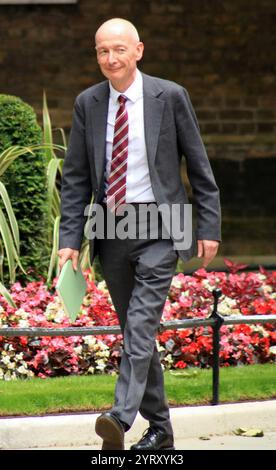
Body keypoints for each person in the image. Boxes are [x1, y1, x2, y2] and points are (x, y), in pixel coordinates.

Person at [58, 18, 221, 451]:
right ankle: (162, 431)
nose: (110, 59)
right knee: (137, 329)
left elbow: (198, 166)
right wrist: (69, 241)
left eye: (118, 50)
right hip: (110, 228)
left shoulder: (170, 96)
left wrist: (208, 226)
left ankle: (120, 416)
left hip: (163, 225)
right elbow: (74, 178)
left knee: (140, 322)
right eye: (101, 52)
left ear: (138, 50)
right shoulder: (87, 103)